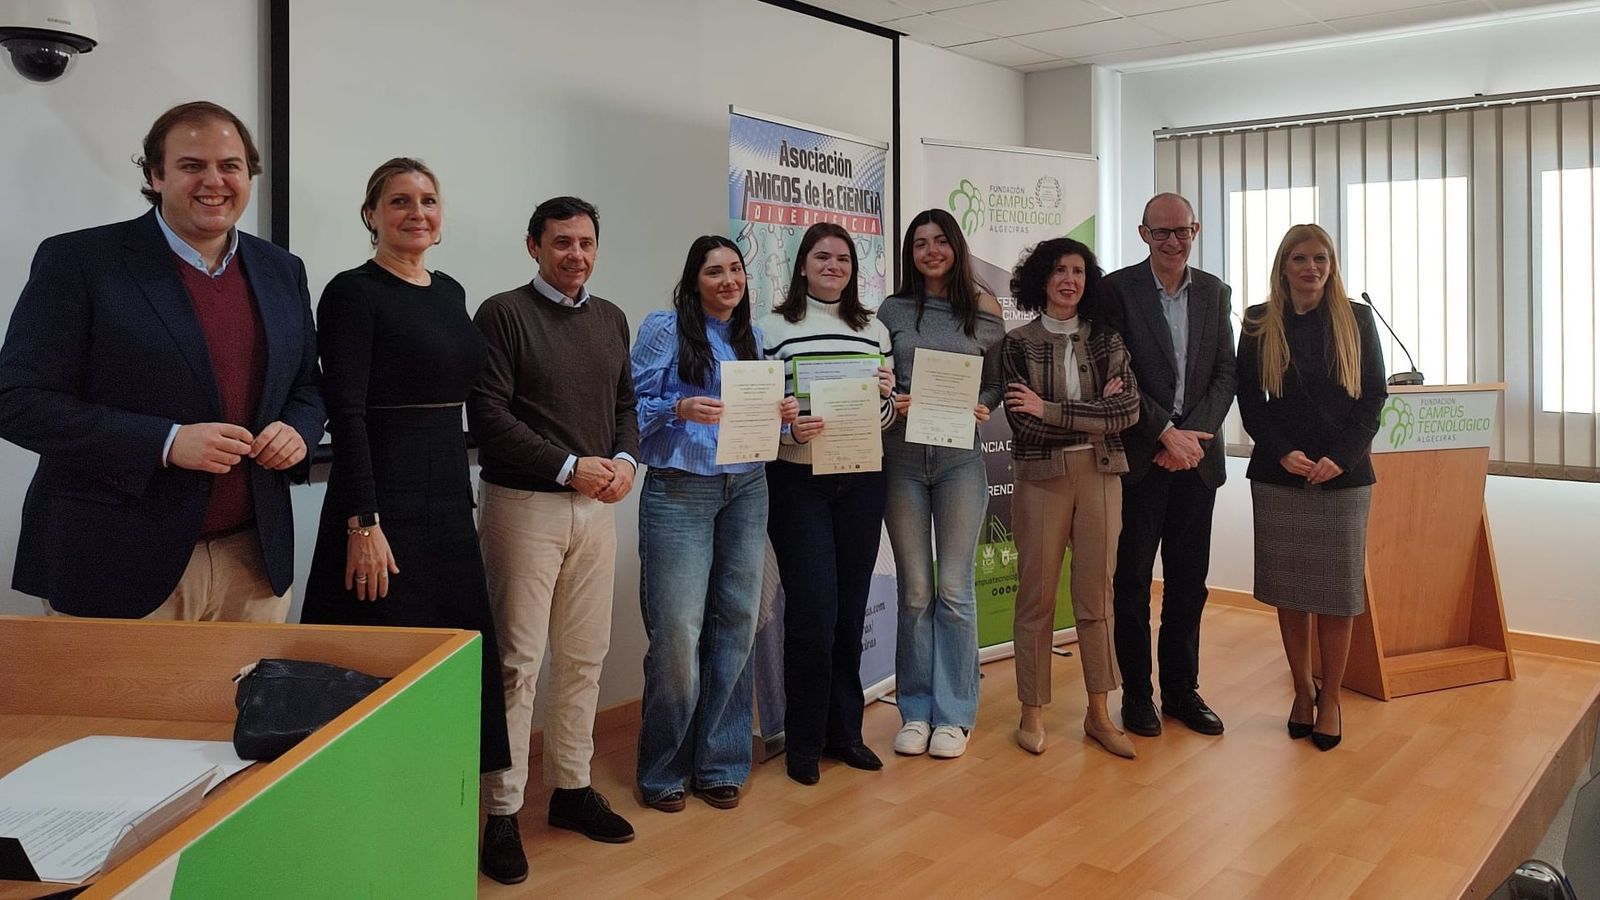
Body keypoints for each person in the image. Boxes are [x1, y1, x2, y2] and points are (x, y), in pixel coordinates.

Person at [0, 101, 323, 621]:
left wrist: (299, 429)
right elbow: (16, 401)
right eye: (192, 165)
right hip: (117, 561)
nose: (213, 181)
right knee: (114, 707)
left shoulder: (281, 269)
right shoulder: (80, 262)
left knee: (245, 705)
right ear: (156, 174)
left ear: (249, 174)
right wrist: (167, 442)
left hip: (254, 563)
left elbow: (307, 385)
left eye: (230, 166)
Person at [299, 158, 511, 778]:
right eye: (399, 201)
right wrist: (363, 523)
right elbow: (348, 412)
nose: (416, 213)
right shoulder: (351, 292)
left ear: (440, 218)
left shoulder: (449, 292)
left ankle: (446, 807)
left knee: (453, 657)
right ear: (371, 216)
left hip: (447, 492)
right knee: (377, 666)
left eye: (427, 201)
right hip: (380, 503)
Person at [469, 196, 639, 884]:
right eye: (561, 242)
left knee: (584, 657)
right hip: (524, 507)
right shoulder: (502, 314)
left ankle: (571, 788)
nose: (576, 254)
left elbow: (625, 406)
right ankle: (502, 812)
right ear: (534, 246)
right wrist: (569, 464)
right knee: (517, 663)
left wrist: (625, 462)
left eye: (586, 242)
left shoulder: (611, 318)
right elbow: (486, 412)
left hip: (597, 510)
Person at [631, 236, 798, 813]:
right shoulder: (665, 327)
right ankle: (662, 768)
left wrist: (783, 416)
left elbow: (768, 425)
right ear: (692, 279)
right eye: (713, 271)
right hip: (680, 489)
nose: (728, 280)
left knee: (739, 621)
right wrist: (678, 409)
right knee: (677, 633)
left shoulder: (756, 337)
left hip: (747, 486)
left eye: (735, 269)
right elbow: (629, 406)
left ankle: (722, 760)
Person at [1236, 223, 1385, 753]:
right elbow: (1250, 403)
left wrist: (1338, 460)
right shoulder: (1258, 321)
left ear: (1332, 264)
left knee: (1337, 597)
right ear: (1284, 266)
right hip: (1281, 476)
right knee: (1291, 591)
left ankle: (1333, 699)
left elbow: (1373, 399)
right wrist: (1282, 452)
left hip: (1343, 479)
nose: (1311, 268)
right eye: (1300, 259)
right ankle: (1302, 691)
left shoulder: (1357, 319)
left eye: (1321, 259)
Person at [758, 221, 895, 786]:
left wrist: (884, 400)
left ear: (853, 269)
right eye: (822, 257)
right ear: (802, 265)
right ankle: (803, 742)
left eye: (842, 258)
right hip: (799, 484)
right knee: (812, 615)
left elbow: (883, 421)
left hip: (861, 481)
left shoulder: (874, 330)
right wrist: (791, 433)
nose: (833, 266)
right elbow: (763, 414)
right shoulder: (771, 328)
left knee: (849, 609)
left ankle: (847, 733)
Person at [1102, 193, 1237, 740]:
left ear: (1195, 230)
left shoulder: (1214, 292)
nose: (1174, 241)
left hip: (1195, 463)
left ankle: (1182, 690)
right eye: (1162, 233)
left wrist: (1191, 440)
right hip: (1141, 457)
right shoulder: (1117, 291)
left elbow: (1227, 374)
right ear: (1143, 235)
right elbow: (1115, 373)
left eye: (1183, 231)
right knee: (1132, 582)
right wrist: (1163, 433)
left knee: (1189, 583)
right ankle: (1138, 695)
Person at [1003, 238, 1141, 758]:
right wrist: (1085, 411)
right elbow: (1023, 425)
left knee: (1096, 598)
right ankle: (1031, 711)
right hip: (1042, 476)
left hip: (1101, 473)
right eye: (1059, 270)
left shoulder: (1107, 341)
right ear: (1042, 279)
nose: (1070, 280)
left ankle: (1098, 713)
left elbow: (1127, 412)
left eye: (1079, 271)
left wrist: (1053, 409)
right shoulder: (1017, 344)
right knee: (1036, 596)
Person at [877, 209, 1005, 760]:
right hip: (901, 461)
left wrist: (984, 405)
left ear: (956, 247)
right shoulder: (892, 310)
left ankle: (954, 716)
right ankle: (916, 709)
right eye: (920, 243)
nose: (930, 252)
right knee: (915, 592)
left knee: (954, 590)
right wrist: (892, 397)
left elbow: (998, 381)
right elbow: (878, 377)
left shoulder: (983, 311)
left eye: (939, 242)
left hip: (959, 463)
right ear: (911, 252)